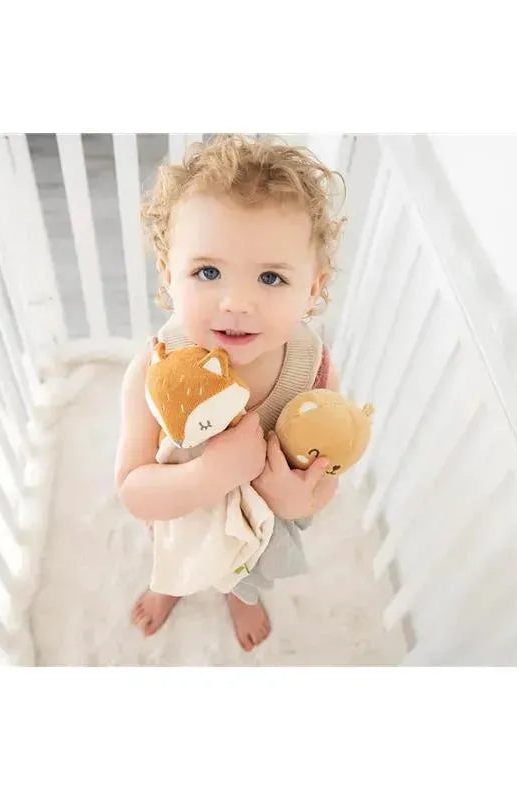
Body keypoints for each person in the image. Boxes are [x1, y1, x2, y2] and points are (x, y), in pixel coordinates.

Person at [114, 133, 346, 651]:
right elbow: (133, 488)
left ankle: (240, 595)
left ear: (312, 288)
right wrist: (210, 475)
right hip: (182, 508)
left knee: (247, 572)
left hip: (258, 525)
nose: (237, 302)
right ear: (168, 274)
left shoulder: (315, 372)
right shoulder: (154, 371)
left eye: (271, 278)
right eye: (208, 271)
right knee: (174, 555)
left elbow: (327, 475)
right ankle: (169, 586)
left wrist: (296, 499)